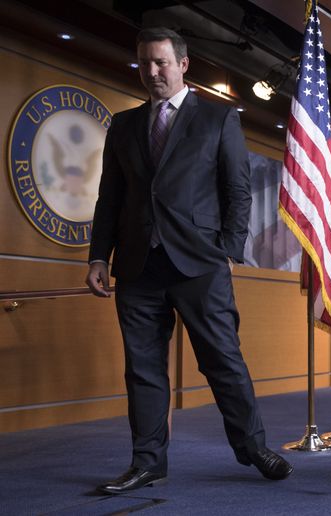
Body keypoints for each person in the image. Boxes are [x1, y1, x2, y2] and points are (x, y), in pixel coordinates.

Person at [85, 27, 292, 494]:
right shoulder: (124, 125)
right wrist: (98, 255)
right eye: (145, 62)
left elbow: (237, 190)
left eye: (160, 62)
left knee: (222, 360)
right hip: (137, 266)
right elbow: (110, 197)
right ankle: (147, 463)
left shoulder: (218, 117)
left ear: (183, 64)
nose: (152, 71)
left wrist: (228, 250)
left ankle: (252, 447)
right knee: (142, 368)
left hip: (200, 263)